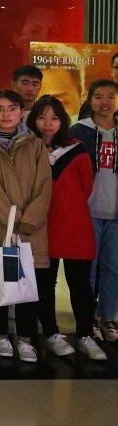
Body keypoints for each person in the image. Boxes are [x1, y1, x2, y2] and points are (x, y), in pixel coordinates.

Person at [0, 89, 52, 362]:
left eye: (12, 108)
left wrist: (30, 219)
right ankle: (1, 335)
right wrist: (14, 220)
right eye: (0, 109)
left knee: (27, 281)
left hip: (30, 228)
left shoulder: (35, 144)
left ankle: (26, 338)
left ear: (21, 112)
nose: (6, 114)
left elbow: (44, 186)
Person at [28, 95, 106, 359]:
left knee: (80, 283)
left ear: (62, 121)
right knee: (45, 282)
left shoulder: (77, 149)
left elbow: (86, 187)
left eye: (54, 118)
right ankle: (51, 333)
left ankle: (85, 334)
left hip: (75, 225)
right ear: (33, 120)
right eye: (42, 117)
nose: (48, 124)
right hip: (41, 226)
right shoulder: (28, 148)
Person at [71, 79, 118, 343]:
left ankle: (107, 316)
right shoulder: (79, 131)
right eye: (99, 96)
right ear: (90, 101)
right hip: (88, 212)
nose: (105, 102)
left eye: (111, 96)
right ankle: (87, 317)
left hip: (116, 214)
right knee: (88, 268)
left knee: (113, 268)